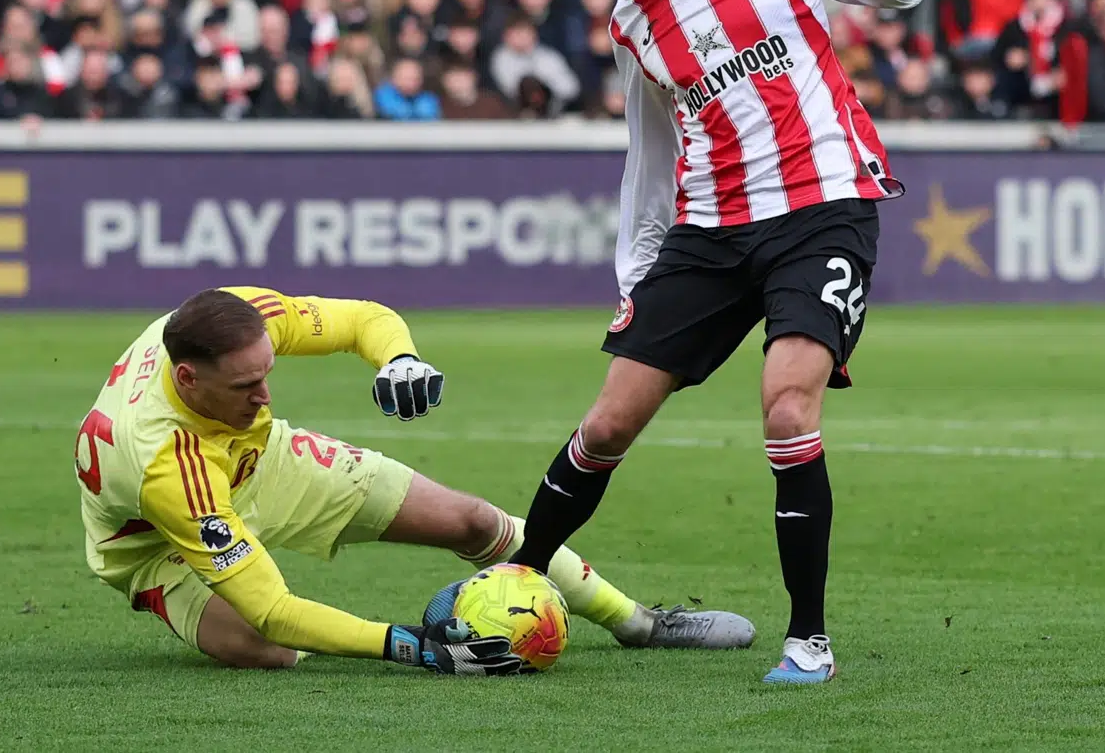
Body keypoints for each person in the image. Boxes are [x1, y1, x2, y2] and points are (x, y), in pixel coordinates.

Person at [506, 0, 925, 686]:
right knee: (608, 423)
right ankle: (510, 581)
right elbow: (649, 159)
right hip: (711, 231)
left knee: (787, 406)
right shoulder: (630, 22)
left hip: (822, 207)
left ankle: (808, 641)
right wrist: (636, 279)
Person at [77, 287, 755, 673]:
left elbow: (363, 319)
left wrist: (398, 358)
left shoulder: (239, 321)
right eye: (245, 385)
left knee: (472, 521)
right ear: (188, 379)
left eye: (268, 373)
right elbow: (273, 609)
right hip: (157, 541)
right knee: (272, 647)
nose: (264, 395)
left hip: (261, 462)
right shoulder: (167, 464)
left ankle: (638, 622)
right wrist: (409, 644)